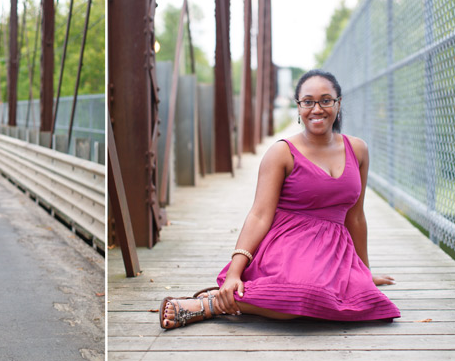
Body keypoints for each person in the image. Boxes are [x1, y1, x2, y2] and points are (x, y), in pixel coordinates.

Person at [160, 69, 400, 329]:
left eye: (325, 100)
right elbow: (259, 215)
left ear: (338, 103)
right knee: (305, 295)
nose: (316, 109)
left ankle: (232, 302)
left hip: (334, 251)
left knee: (372, 304)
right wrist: (234, 273)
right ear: (298, 108)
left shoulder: (358, 150)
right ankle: (211, 304)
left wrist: (362, 272)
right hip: (288, 244)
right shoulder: (282, 152)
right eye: (308, 101)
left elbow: (355, 216)